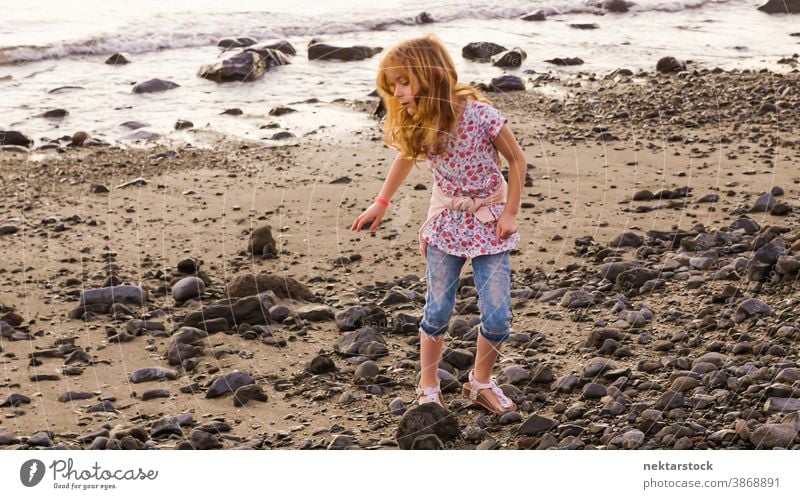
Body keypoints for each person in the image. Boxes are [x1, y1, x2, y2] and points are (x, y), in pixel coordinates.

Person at [350, 34, 528, 415]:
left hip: (490, 222)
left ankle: (480, 382)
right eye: (392, 85)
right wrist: (381, 203)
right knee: (437, 312)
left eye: (403, 81)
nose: (397, 92)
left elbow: (517, 161)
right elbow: (405, 158)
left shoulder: (481, 114)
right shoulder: (419, 121)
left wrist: (510, 212)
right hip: (446, 224)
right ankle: (428, 384)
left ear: (429, 76)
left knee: (498, 317)